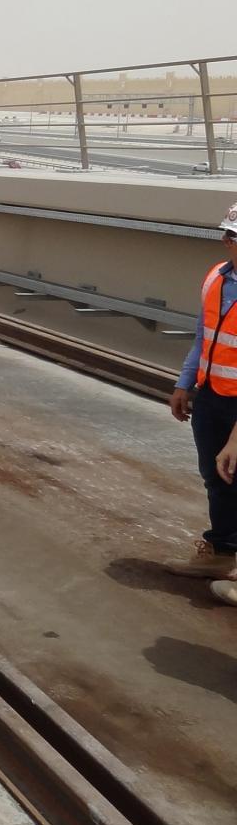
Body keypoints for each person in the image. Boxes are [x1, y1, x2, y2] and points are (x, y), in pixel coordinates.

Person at [165, 202, 237, 593]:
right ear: (229, 241)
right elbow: (203, 336)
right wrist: (184, 383)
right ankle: (223, 553)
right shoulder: (215, 279)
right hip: (212, 396)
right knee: (216, 477)